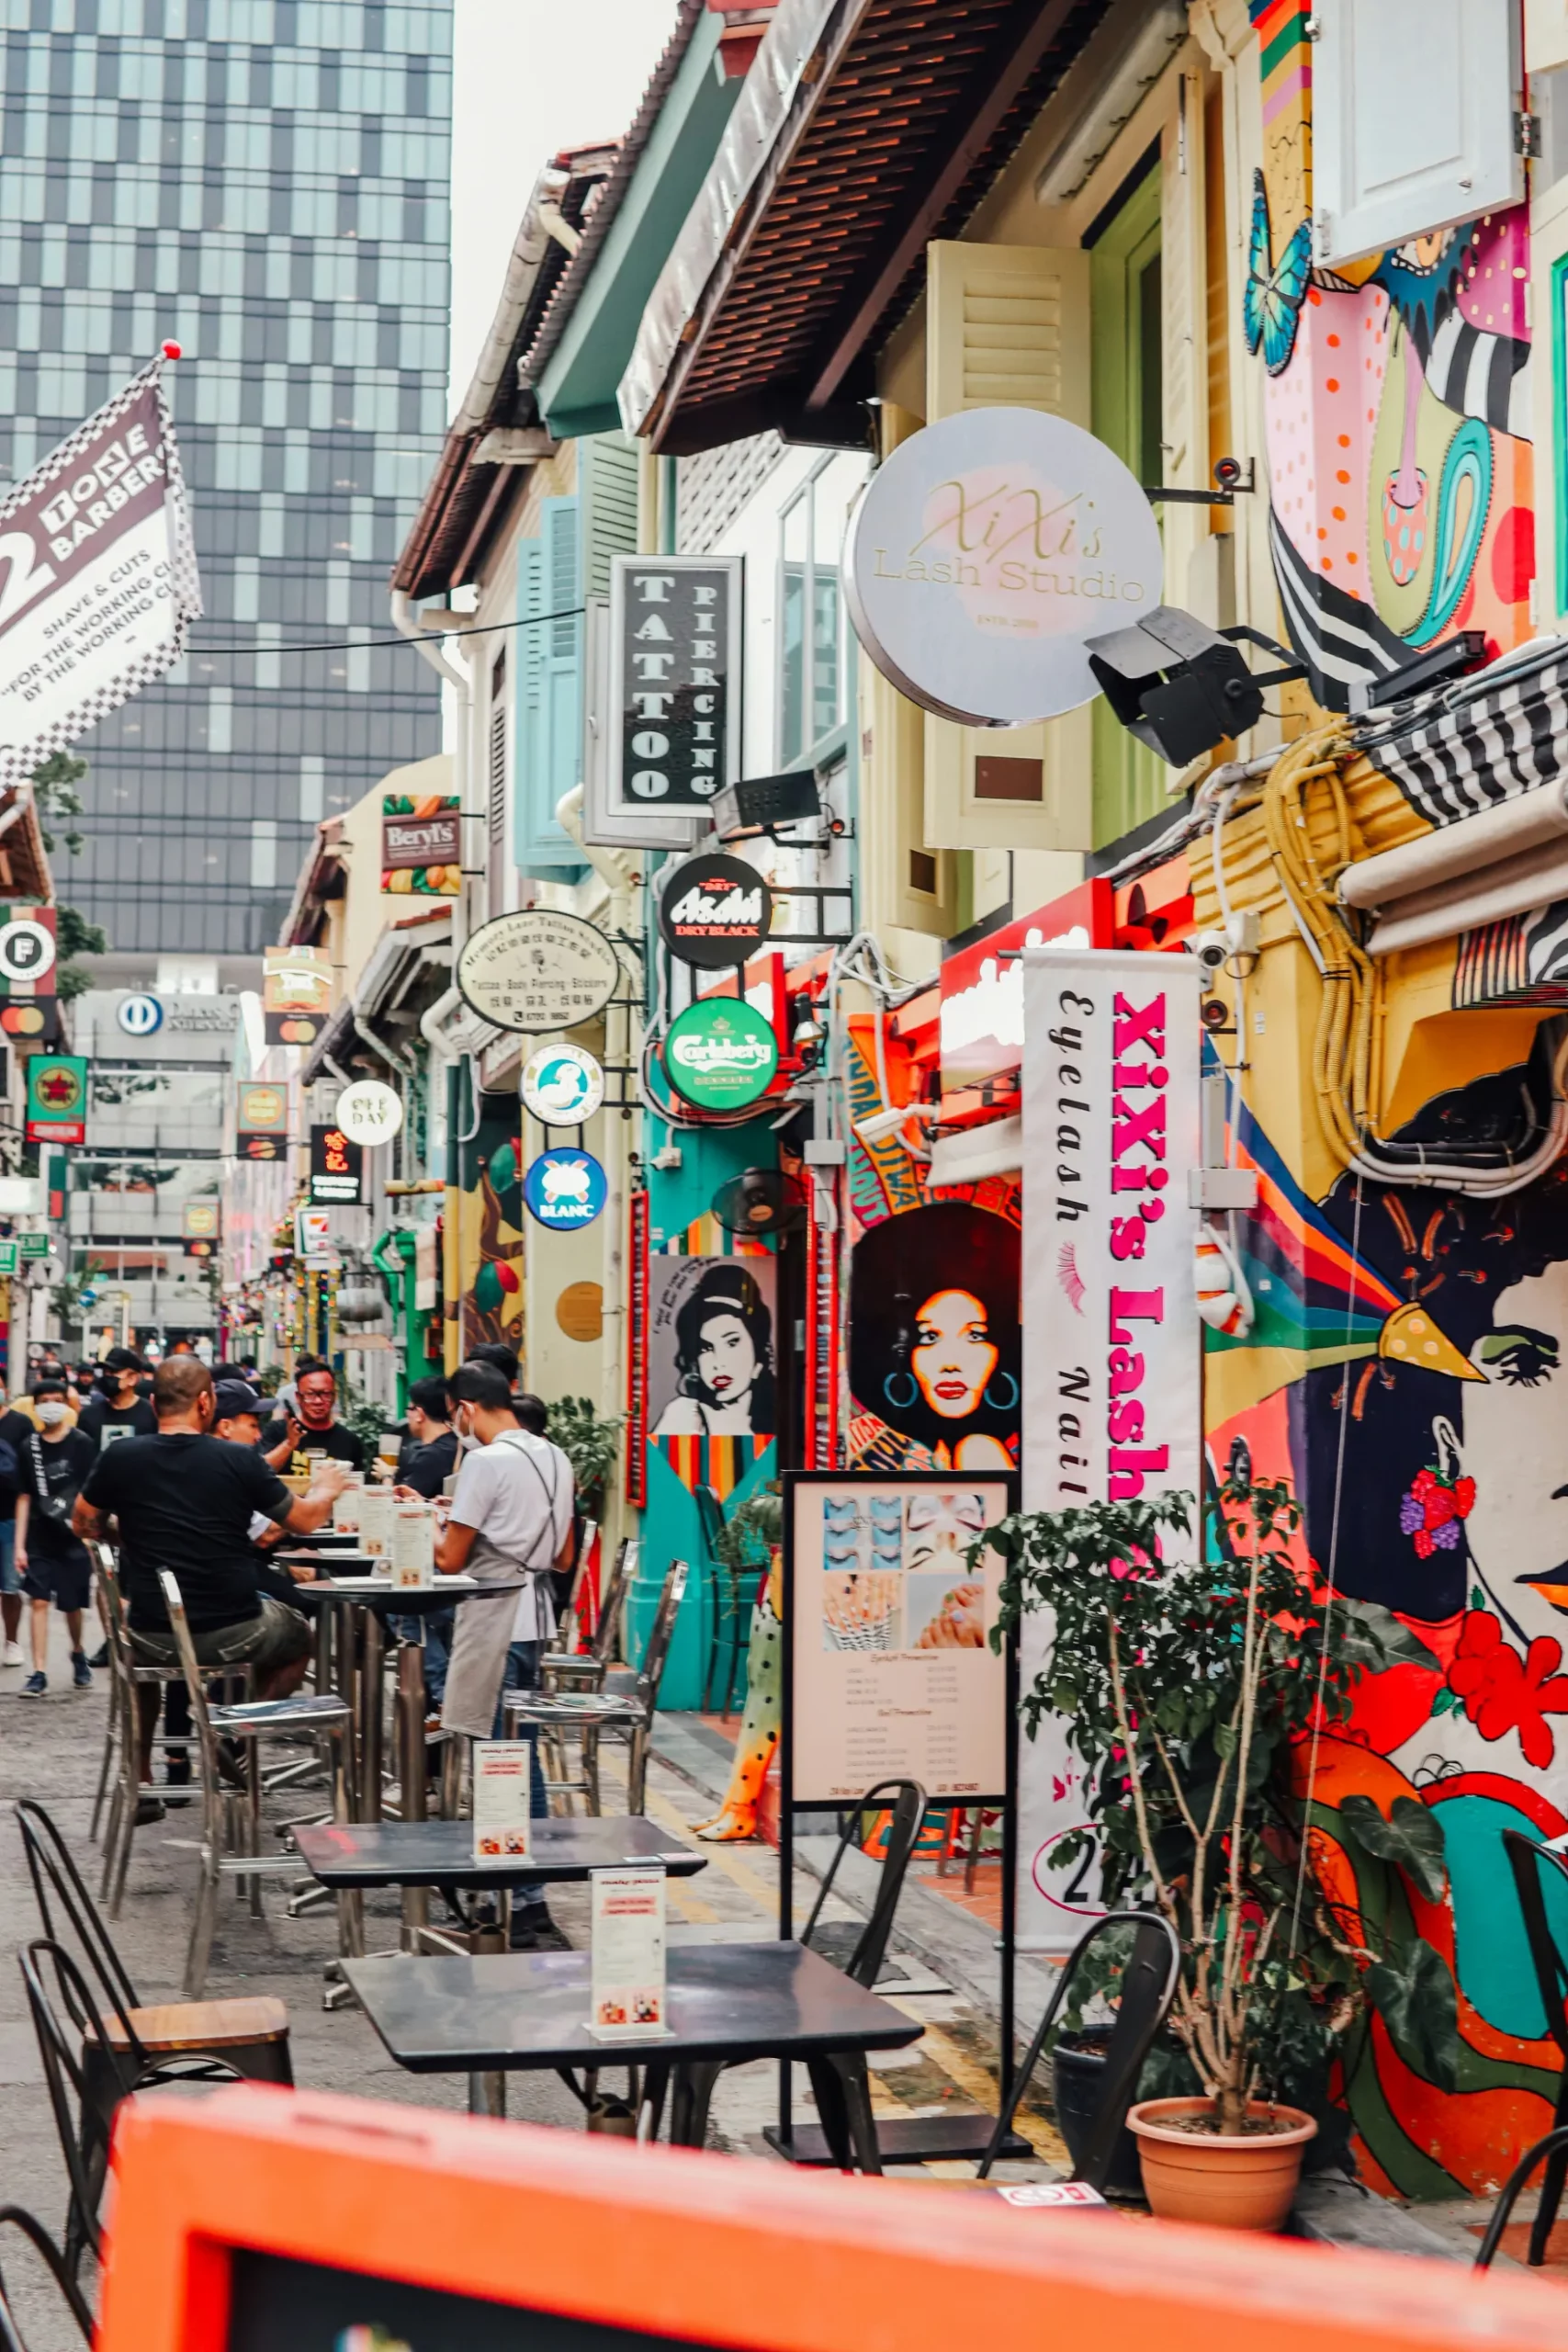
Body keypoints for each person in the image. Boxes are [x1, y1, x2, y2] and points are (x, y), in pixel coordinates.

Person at [74, 1357, 349, 1808]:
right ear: (206, 1402)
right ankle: (235, 1733)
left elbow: (83, 1523)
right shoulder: (238, 1459)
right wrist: (326, 1488)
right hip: (234, 1632)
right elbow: (303, 1520)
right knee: (300, 1636)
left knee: (148, 1646)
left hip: (149, 1633)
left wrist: (131, 1533)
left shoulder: (121, 1456)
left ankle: (141, 1773)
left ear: (153, 1403)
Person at [436, 1361, 574, 1951]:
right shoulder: (554, 1456)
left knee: (502, 1761)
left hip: (496, 1618)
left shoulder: (486, 1463)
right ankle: (529, 1898)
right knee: (523, 1755)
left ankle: (518, 1899)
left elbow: (448, 1560)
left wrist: (431, 1524)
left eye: (453, 1415)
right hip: (537, 1619)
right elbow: (564, 1555)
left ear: (466, 1408)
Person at [16, 1374, 96, 1697]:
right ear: (35, 1407)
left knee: (72, 1605)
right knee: (37, 1601)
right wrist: (19, 1546)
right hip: (39, 1536)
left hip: (73, 1536)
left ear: (67, 1404)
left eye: (57, 1400)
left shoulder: (82, 1444)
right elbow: (23, 1497)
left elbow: (91, 1492)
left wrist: (92, 1535)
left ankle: (78, 1652)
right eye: (44, 1401)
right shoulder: (29, 1447)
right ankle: (38, 1672)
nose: (51, 1406)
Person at [651, 1265, 777, 1438]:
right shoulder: (684, 1416)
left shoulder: (776, 1415)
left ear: (759, 1355)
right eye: (706, 1348)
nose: (719, 1362)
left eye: (732, 1343)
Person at [260, 1357, 367, 1476]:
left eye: (325, 1394)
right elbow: (260, 1474)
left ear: (334, 1397)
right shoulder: (277, 1431)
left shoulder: (350, 1441)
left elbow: (358, 1486)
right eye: (310, 1394)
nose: (318, 1401)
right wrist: (289, 1444)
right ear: (298, 1397)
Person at [0, 1385, 28, 1668]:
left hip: (9, 1515)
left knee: (10, 1586)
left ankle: (11, 1641)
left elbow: (32, 1469)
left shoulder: (20, 1424)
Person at [77, 1348, 157, 1451]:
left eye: (113, 1372)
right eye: (105, 1372)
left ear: (132, 1379)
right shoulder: (88, 1415)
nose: (107, 1377)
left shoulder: (152, 1414)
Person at [397, 1375, 459, 1498]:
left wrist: (386, 1476)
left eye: (409, 1409)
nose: (407, 1415)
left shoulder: (430, 1456)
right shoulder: (459, 1443)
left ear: (419, 1414)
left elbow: (401, 1506)